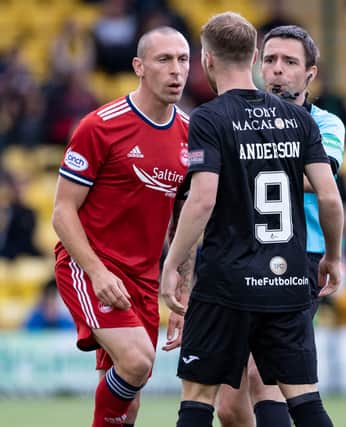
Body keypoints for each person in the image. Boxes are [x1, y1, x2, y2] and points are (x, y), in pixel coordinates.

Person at [161, 12, 344, 427]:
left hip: (227, 279)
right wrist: (332, 256)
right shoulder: (299, 120)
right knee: (303, 400)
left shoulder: (208, 118)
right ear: (256, 57)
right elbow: (331, 199)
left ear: (206, 58)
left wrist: (172, 264)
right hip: (288, 277)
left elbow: (202, 200)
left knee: (198, 398)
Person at [52, 26, 193, 427]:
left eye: (183, 60)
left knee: (127, 407)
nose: (176, 71)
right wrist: (96, 273)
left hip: (144, 279)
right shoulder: (100, 126)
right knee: (135, 362)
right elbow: (62, 213)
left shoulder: (190, 133)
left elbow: (185, 219)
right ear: (139, 66)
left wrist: (183, 287)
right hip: (90, 266)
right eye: (164, 59)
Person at [216, 25, 346, 427]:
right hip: (240, 255)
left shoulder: (325, 125)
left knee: (266, 375)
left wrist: (244, 164)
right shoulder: (234, 116)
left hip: (298, 258)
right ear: (256, 65)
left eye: (290, 62)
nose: (277, 70)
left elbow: (320, 180)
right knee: (229, 407)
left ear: (310, 73)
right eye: (270, 60)